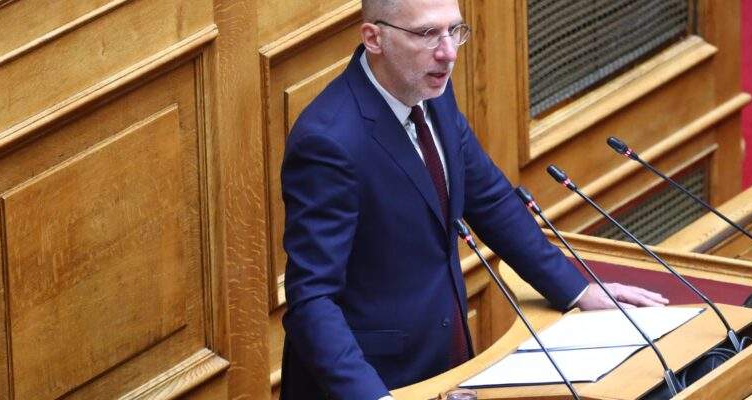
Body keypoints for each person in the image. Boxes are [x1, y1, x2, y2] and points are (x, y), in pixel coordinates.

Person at [279, 1, 669, 399]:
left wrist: (577, 291)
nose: (448, 52)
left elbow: (490, 200)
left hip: (446, 366)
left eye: (454, 31)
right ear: (374, 38)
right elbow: (313, 299)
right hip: (373, 381)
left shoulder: (430, 90)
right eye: (427, 34)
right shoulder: (328, 142)